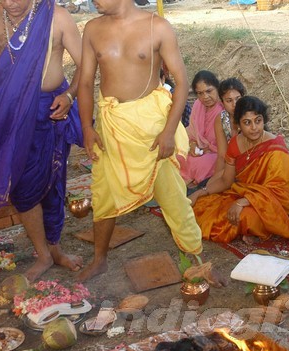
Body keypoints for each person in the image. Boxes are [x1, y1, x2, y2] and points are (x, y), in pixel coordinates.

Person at [0, 0, 84, 282]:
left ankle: (56, 250)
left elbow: (87, 66)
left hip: (49, 111)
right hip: (9, 114)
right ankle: (43, 254)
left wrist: (71, 96)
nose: (10, 3)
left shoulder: (57, 18)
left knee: (52, 183)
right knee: (21, 187)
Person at [77, 0, 202, 282]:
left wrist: (169, 131)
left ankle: (197, 260)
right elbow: (85, 82)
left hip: (152, 128)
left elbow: (181, 82)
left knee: (173, 196)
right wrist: (87, 126)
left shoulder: (157, 27)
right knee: (104, 193)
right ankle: (100, 260)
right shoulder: (93, 29)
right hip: (111, 126)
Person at [188, 96, 289, 244]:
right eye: (247, 123)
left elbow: (282, 193)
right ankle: (250, 229)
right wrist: (199, 193)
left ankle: (255, 229)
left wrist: (244, 202)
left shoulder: (275, 147)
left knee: (244, 216)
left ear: (264, 120)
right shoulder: (235, 144)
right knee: (203, 206)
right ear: (238, 125)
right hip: (244, 193)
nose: (254, 127)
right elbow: (226, 181)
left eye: (258, 121)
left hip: (274, 203)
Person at [177, 70, 224, 189]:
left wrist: (209, 149)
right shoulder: (198, 105)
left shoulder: (224, 108)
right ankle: (183, 184)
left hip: (217, 154)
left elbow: (228, 143)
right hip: (199, 150)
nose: (205, 97)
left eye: (209, 91)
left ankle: (189, 185)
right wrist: (192, 145)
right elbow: (191, 131)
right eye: (200, 93)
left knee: (203, 163)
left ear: (217, 88)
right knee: (178, 155)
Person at [212, 78, 246, 175]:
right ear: (222, 102)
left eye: (238, 99)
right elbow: (222, 156)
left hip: (254, 164)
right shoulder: (221, 119)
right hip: (232, 166)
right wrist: (216, 179)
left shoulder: (250, 116)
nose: (235, 104)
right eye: (229, 100)